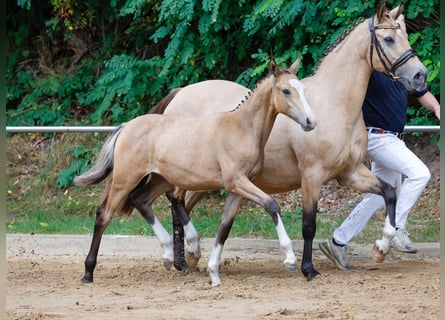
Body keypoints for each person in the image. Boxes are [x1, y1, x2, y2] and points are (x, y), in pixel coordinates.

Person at [319, 17, 441, 271]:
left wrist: (438, 108)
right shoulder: (375, 66)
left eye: (402, 28)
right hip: (375, 136)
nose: (400, 32)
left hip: (392, 137)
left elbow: (422, 93)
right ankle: (396, 228)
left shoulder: (402, 69)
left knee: (377, 196)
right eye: (396, 28)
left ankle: (338, 240)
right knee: (420, 173)